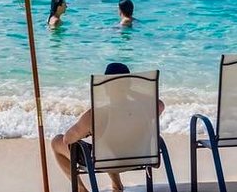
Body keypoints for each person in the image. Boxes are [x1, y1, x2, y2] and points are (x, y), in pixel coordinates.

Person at [51, 62, 164, 192]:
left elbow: (67, 139)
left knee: (57, 141)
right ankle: (117, 186)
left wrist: (89, 131)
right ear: (129, 83)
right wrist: (128, 90)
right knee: (105, 143)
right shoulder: (143, 108)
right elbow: (160, 104)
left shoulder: (97, 114)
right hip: (139, 158)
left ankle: (82, 190)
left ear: (105, 86)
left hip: (107, 162)